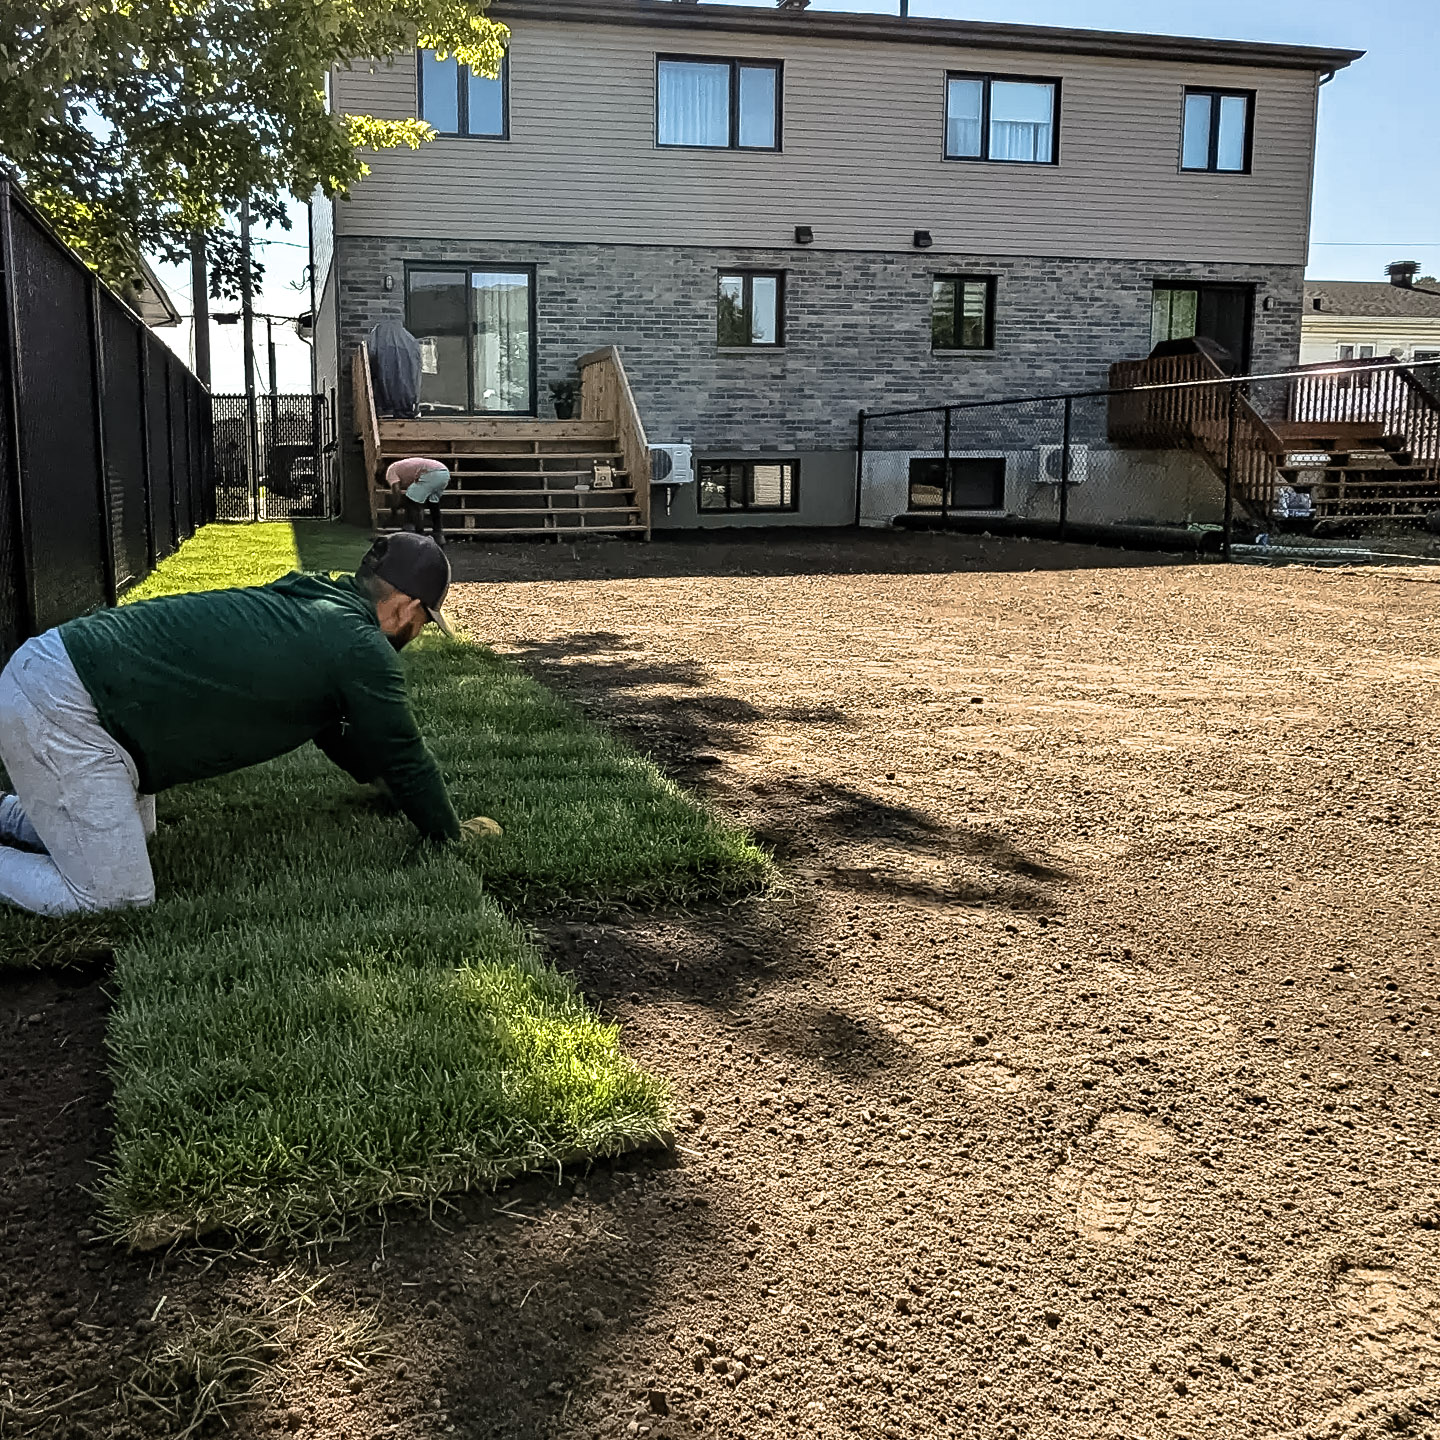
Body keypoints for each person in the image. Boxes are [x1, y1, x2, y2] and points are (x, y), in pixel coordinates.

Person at [0, 533, 498, 917]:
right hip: (67, 707)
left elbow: (334, 731)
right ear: (407, 608)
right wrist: (449, 834)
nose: (417, 632)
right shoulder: (360, 645)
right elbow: (405, 754)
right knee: (116, 897)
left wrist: (382, 784)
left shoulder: (318, 604)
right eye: (424, 621)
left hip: (67, 685)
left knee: (131, 839)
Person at [386, 457, 451, 543]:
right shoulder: (401, 469)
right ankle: (438, 534)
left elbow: (397, 492)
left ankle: (417, 534)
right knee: (433, 504)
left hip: (431, 473)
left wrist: (394, 509)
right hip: (444, 473)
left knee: (411, 500)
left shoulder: (390, 472)